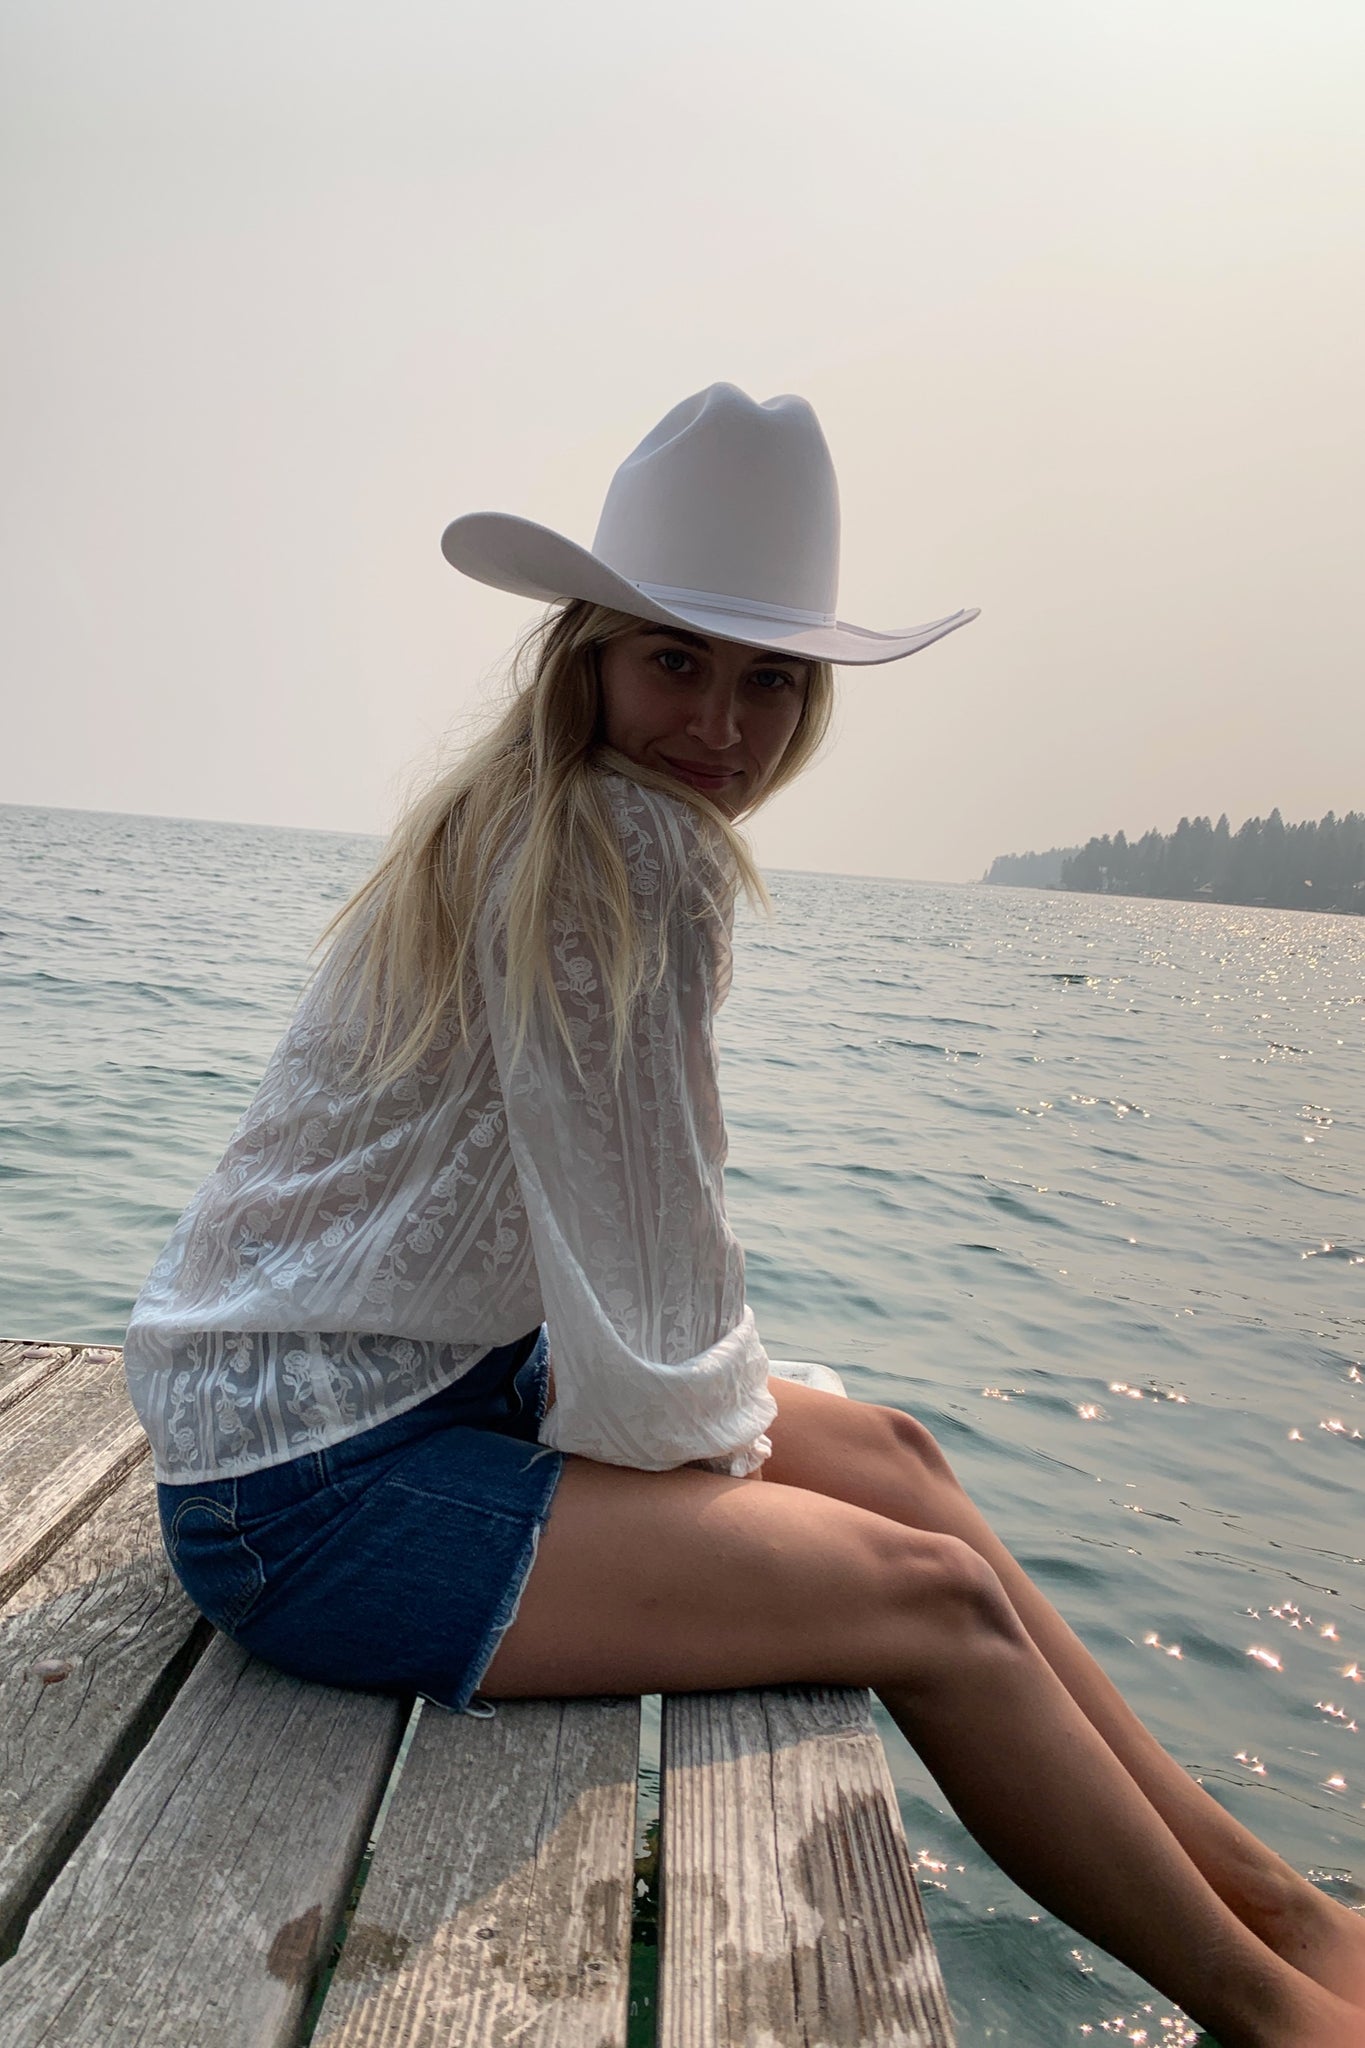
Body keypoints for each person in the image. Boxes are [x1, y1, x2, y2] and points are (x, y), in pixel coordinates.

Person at [124, 385, 1364, 2045]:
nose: (721, 723)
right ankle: (1282, 2013)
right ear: (587, 659)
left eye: (770, 677)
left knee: (897, 1453)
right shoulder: (622, 851)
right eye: (676, 662)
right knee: (930, 1604)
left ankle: (1284, 1909)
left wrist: (749, 1461)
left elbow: (626, 1291)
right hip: (307, 1494)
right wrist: (743, 1496)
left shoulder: (528, 809)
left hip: (345, 1400)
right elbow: (648, 1348)